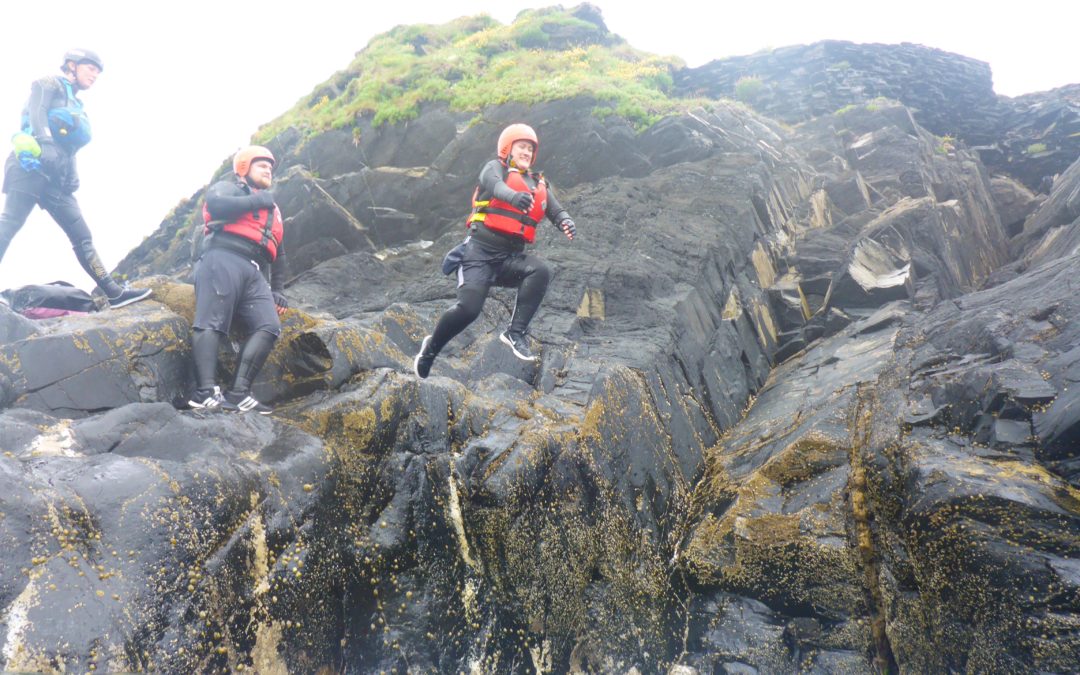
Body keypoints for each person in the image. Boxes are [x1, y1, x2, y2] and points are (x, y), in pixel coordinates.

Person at [414, 123, 576, 379]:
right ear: (508, 148)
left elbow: (554, 209)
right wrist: (512, 197)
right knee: (469, 310)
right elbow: (494, 185)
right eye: (521, 146)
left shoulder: (538, 182)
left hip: (508, 259)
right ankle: (430, 348)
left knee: (541, 271)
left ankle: (515, 333)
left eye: (530, 149)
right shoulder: (495, 168)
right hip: (479, 254)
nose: (526, 152)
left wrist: (566, 221)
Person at [0, 49, 151, 308]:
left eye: (98, 72)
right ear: (72, 65)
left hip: (56, 180)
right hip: (30, 166)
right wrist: (45, 140)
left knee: (82, 236)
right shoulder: (48, 84)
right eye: (91, 68)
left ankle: (113, 293)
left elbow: (69, 149)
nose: (95, 75)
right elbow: (37, 111)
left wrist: (72, 175)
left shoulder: (76, 105)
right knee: (9, 224)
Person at [187, 145, 288, 414]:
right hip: (222, 257)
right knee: (212, 321)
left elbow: (278, 253)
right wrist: (258, 201)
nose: (268, 169)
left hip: (254, 271)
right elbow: (217, 205)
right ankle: (205, 392)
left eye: (270, 166)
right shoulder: (229, 188)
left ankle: (238, 393)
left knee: (269, 325)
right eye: (261, 165)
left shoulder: (272, 210)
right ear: (244, 168)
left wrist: (277, 290)